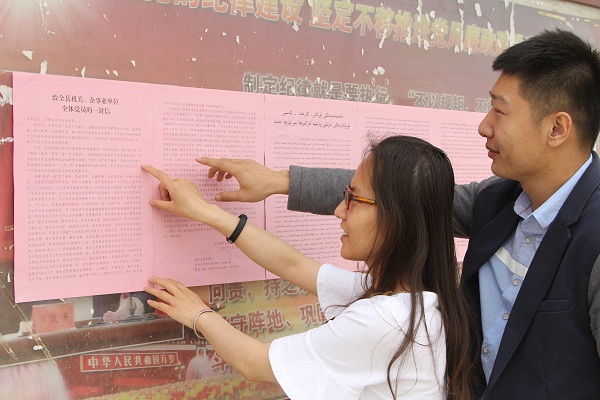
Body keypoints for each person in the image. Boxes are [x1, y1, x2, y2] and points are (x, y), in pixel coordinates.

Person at [196, 29, 600, 399]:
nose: (483, 126)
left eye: (500, 111)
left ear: (557, 128)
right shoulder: (496, 201)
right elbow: (398, 192)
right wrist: (279, 181)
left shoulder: (593, 241)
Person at [142, 136, 474, 400]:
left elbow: (254, 363)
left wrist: (198, 313)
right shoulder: (416, 301)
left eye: (354, 199)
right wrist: (205, 211)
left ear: (397, 218)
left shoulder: (386, 320)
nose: (339, 211)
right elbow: (292, 264)